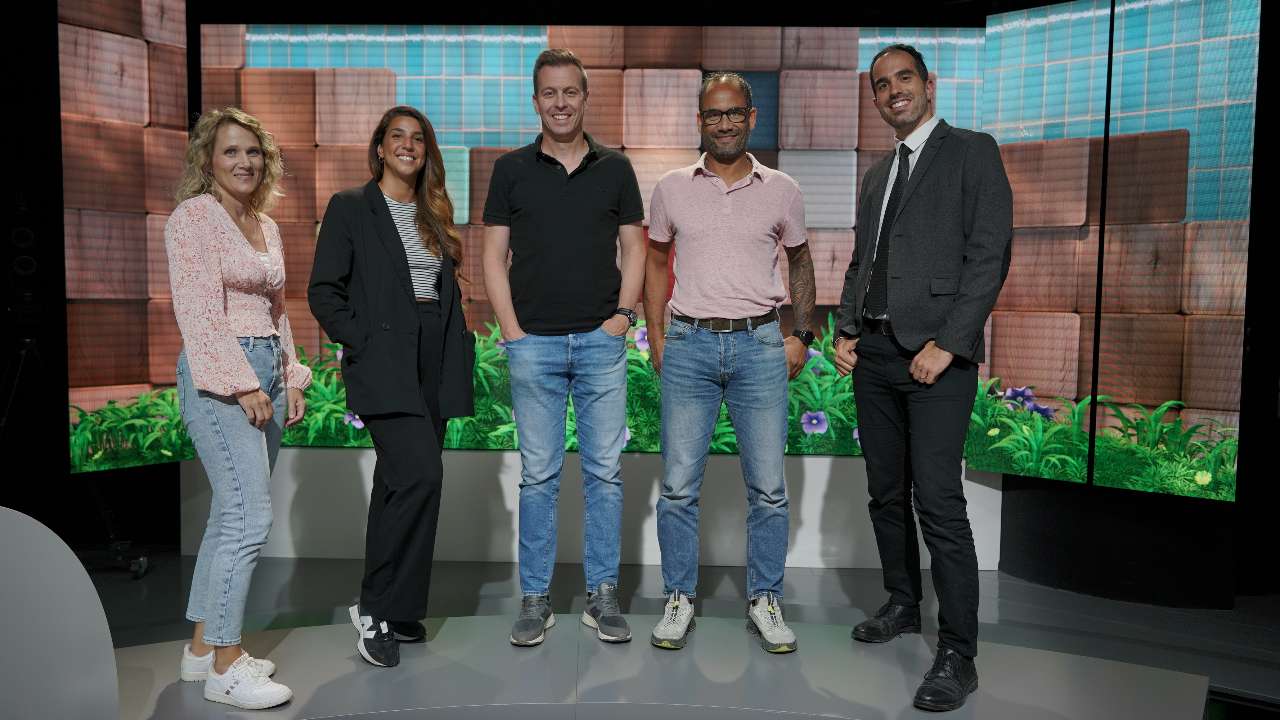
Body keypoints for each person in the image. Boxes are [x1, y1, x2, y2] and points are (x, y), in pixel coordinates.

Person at [834, 44, 1012, 712]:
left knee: (938, 502)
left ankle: (958, 654)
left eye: (903, 78)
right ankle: (903, 604)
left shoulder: (971, 151)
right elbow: (863, 260)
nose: (893, 91)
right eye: (881, 85)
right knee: (886, 493)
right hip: (876, 355)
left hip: (936, 357)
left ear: (928, 85)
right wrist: (846, 329)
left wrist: (950, 343)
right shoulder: (878, 175)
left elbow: (989, 255)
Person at [643, 72, 816, 654]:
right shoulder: (671, 188)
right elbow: (655, 261)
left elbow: (800, 262)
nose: (724, 123)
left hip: (760, 345)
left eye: (734, 113)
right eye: (714, 114)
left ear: (751, 117)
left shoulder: (783, 189)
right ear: (700, 121)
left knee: (768, 489)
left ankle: (765, 600)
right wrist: (656, 335)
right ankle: (679, 598)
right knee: (677, 487)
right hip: (688, 344)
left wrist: (802, 335)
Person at [482, 48, 646, 647]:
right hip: (534, 346)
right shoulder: (510, 169)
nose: (560, 103)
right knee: (539, 478)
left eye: (570, 92)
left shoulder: (616, 168)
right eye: (549, 93)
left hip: (601, 344)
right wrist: (512, 331)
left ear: (584, 97)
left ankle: (603, 594)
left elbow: (635, 248)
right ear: (536, 101)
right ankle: (536, 597)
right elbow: (492, 256)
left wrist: (622, 318)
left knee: (605, 474)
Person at [309, 106, 475, 668]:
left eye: (418, 139)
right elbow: (323, 291)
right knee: (420, 474)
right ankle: (375, 609)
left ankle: (399, 607)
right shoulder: (351, 207)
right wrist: (363, 341)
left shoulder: (434, 213)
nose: (408, 145)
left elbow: (440, 292)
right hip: (385, 358)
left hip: (434, 357)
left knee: (400, 484)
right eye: (397, 136)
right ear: (379, 148)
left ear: (426, 152)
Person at [167, 107, 310, 710]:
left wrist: (290, 376)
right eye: (230, 151)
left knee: (230, 515)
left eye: (253, 151)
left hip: (266, 368)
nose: (244, 161)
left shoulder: (264, 224)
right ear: (208, 159)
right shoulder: (193, 219)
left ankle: (201, 650)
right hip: (221, 376)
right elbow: (198, 312)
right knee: (250, 519)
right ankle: (227, 665)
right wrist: (241, 384)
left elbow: (277, 309)